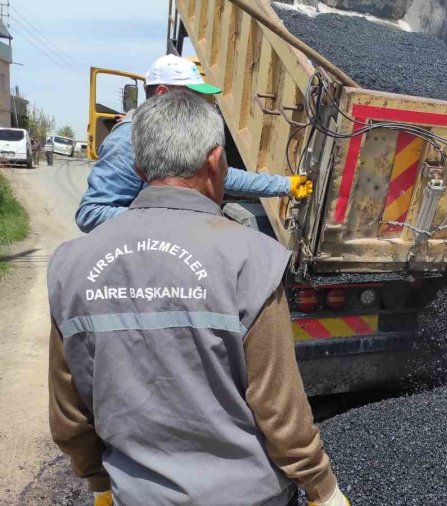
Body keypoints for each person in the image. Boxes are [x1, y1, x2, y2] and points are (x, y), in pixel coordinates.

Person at [47, 91, 349, 506]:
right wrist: (323, 489)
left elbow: (69, 415)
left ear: (139, 167)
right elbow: (278, 407)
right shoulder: (252, 259)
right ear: (216, 161)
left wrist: (98, 481)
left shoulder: (71, 265)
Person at [75, 54, 312, 233]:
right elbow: (91, 214)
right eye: (194, 96)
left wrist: (285, 185)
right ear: (161, 92)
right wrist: (170, 217)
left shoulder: (180, 135)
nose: (203, 104)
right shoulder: (128, 139)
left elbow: (223, 177)